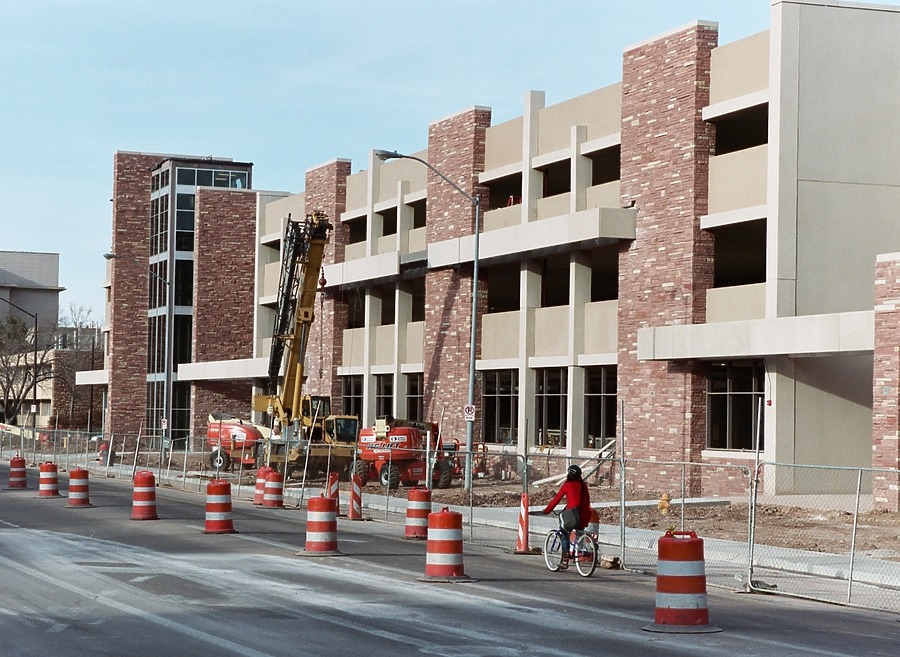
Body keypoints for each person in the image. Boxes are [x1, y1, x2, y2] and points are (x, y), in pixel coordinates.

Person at [543, 464, 592, 568]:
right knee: (579, 532)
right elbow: (587, 501)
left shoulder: (567, 484)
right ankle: (579, 551)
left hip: (572, 516)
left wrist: (547, 510)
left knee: (564, 533)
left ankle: (565, 560)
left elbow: (557, 499)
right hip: (583, 515)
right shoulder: (584, 485)